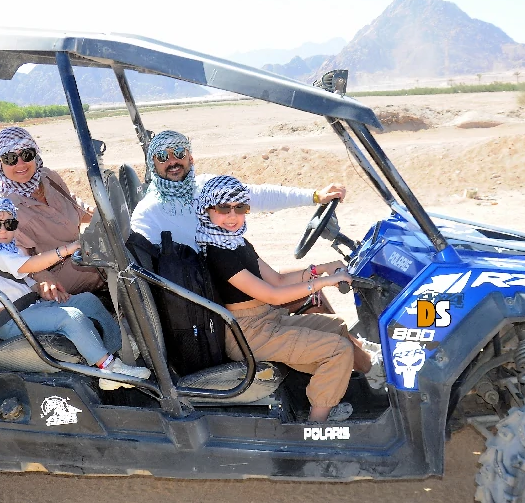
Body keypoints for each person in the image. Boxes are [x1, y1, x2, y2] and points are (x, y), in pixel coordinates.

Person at [194, 175, 361, 422]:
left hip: (265, 319)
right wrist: (322, 282)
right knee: (338, 351)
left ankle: (337, 389)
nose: (232, 216)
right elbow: (273, 294)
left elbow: (277, 280)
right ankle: (317, 427)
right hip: (249, 334)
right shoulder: (219, 254)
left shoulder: (236, 242)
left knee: (335, 326)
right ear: (207, 209)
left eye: (240, 208)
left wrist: (321, 268)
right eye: (223, 208)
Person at [0, 195, 150, 389]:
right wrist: (67, 250)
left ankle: (118, 352)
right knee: (71, 317)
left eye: (9, 224)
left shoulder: (7, 251)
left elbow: (25, 280)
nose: (3, 231)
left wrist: (43, 291)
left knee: (87, 301)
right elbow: (31, 265)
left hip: (28, 308)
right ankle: (107, 371)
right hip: (10, 321)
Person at [129, 129, 348, 249]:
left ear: (191, 157)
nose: (173, 161)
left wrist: (315, 196)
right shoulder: (148, 212)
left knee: (316, 294)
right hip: (208, 300)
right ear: (153, 165)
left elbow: (260, 196)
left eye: (179, 152)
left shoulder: (209, 187)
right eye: (162, 157)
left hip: (233, 277)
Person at [0, 126, 104, 300]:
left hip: (80, 252)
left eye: (26, 155)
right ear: (0, 163)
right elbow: (16, 259)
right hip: (53, 270)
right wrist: (41, 276)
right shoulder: (4, 208)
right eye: (10, 158)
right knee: (113, 265)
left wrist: (101, 214)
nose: (20, 164)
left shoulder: (49, 178)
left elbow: (75, 206)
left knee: (129, 246)